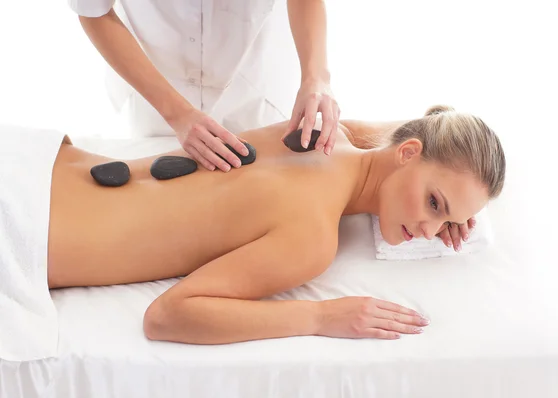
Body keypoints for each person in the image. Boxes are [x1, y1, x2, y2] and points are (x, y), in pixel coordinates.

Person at [40, 105, 505, 345]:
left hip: (40, 163)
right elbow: (166, 317)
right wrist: (321, 316)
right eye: (433, 203)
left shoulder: (321, 133)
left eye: (448, 220)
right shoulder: (312, 237)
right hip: (24, 229)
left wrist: (447, 201)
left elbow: (420, 130)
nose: (429, 230)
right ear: (407, 154)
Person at [70, 0, 340, 173]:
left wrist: (316, 76)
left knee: (264, 171)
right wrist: (176, 113)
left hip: (252, 77)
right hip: (154, 76)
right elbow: (93, 11)